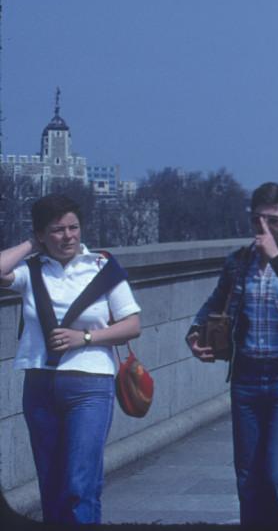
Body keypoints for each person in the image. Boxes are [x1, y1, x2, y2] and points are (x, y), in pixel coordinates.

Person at [186, 182, 278, 528]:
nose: (263, 228)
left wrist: (277, 258)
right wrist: (193, 332)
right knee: (248, 479)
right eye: (257, 219)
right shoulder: (239, 262)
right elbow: (213, 303)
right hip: (246, 377)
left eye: (273, 221)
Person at [0, 193, 143, 523]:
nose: (68, 237)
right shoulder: (32, 271)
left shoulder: (102, 267)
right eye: (57, 230)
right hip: (39, 384)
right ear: (40, 234)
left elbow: (132, 325)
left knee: (80, 482)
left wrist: (86, 337)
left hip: (90, 384)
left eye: (73, 228)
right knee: (51, 484)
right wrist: (30, 246)